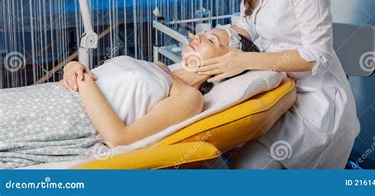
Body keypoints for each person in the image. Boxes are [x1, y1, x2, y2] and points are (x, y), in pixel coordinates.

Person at [197, 0, 360, 169]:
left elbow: (315, 57)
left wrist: (244, 61)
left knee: (246, 169)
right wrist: (214, 36)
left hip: (313, 105)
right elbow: (248, 27)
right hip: (276, 91)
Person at [0, 28, 259, 169]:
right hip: (46, 96)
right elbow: (91, 78)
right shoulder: (160, 66)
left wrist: (84, 80)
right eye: (206, 32)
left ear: (223, 65)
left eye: (211, 40)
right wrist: (71, 68)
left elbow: (119, 139)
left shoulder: (187, 97)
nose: (198, 36)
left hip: (60, 119)